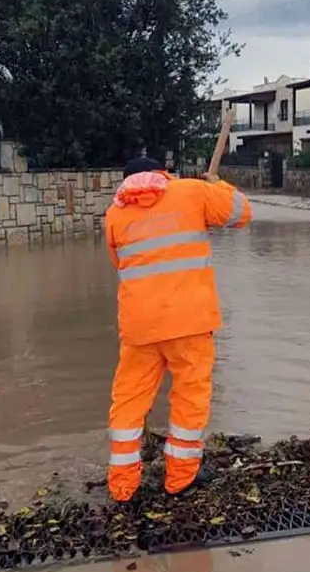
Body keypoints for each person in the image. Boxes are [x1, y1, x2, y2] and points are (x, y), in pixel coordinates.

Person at [103, 151, 252, 503]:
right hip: (190, 322)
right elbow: (242, 213)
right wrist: (217, 185)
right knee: (189, 396)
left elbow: (119, 264)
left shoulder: (114, 214)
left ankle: (122, 484)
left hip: (139, 327)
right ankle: (180, 478)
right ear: (163, 173)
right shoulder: (192, 192)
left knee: (129, 399)